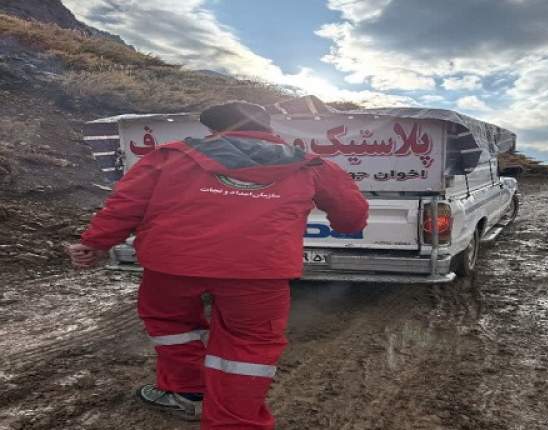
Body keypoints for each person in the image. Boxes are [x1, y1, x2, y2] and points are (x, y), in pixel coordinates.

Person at [66, 101, 369, 429]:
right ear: (268, 129)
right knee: (247, 349)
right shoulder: (312, 164)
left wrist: (95, 243)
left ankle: (188, 394)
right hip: (259, 272)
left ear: (213, 130)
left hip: (171, 266)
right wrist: (342, 223)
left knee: (172, 326)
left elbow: (125, 204)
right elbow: (352, 215)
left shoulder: (171, 155)